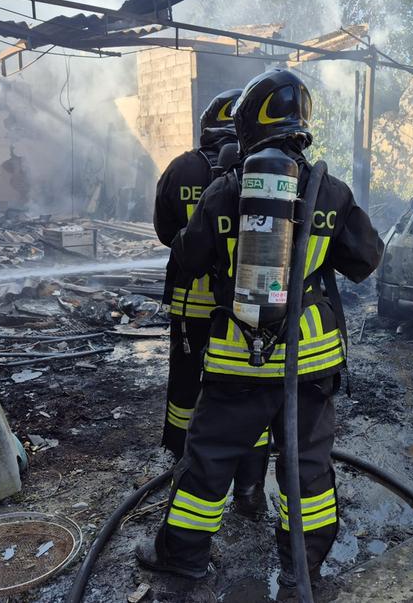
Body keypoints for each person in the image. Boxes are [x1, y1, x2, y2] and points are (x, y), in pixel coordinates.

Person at [136, 69, 384, 585]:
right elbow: (366, 259)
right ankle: (302, 568)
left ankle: (184, 555)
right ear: (302, 126)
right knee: (307, 470)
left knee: (208, 461)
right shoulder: (331, 191)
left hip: (238, 358)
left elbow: (186, 257)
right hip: (310, 363)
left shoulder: (225, 190)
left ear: (248, 125)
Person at [153, 90, 271, 514]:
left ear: (205, 126)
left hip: (191, 304)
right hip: (241, 312)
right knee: (246, 391)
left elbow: (166, 233)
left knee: (185, 387)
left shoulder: (180, 168)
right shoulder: (259, 174)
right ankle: (248, 484)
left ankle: (180, 461)